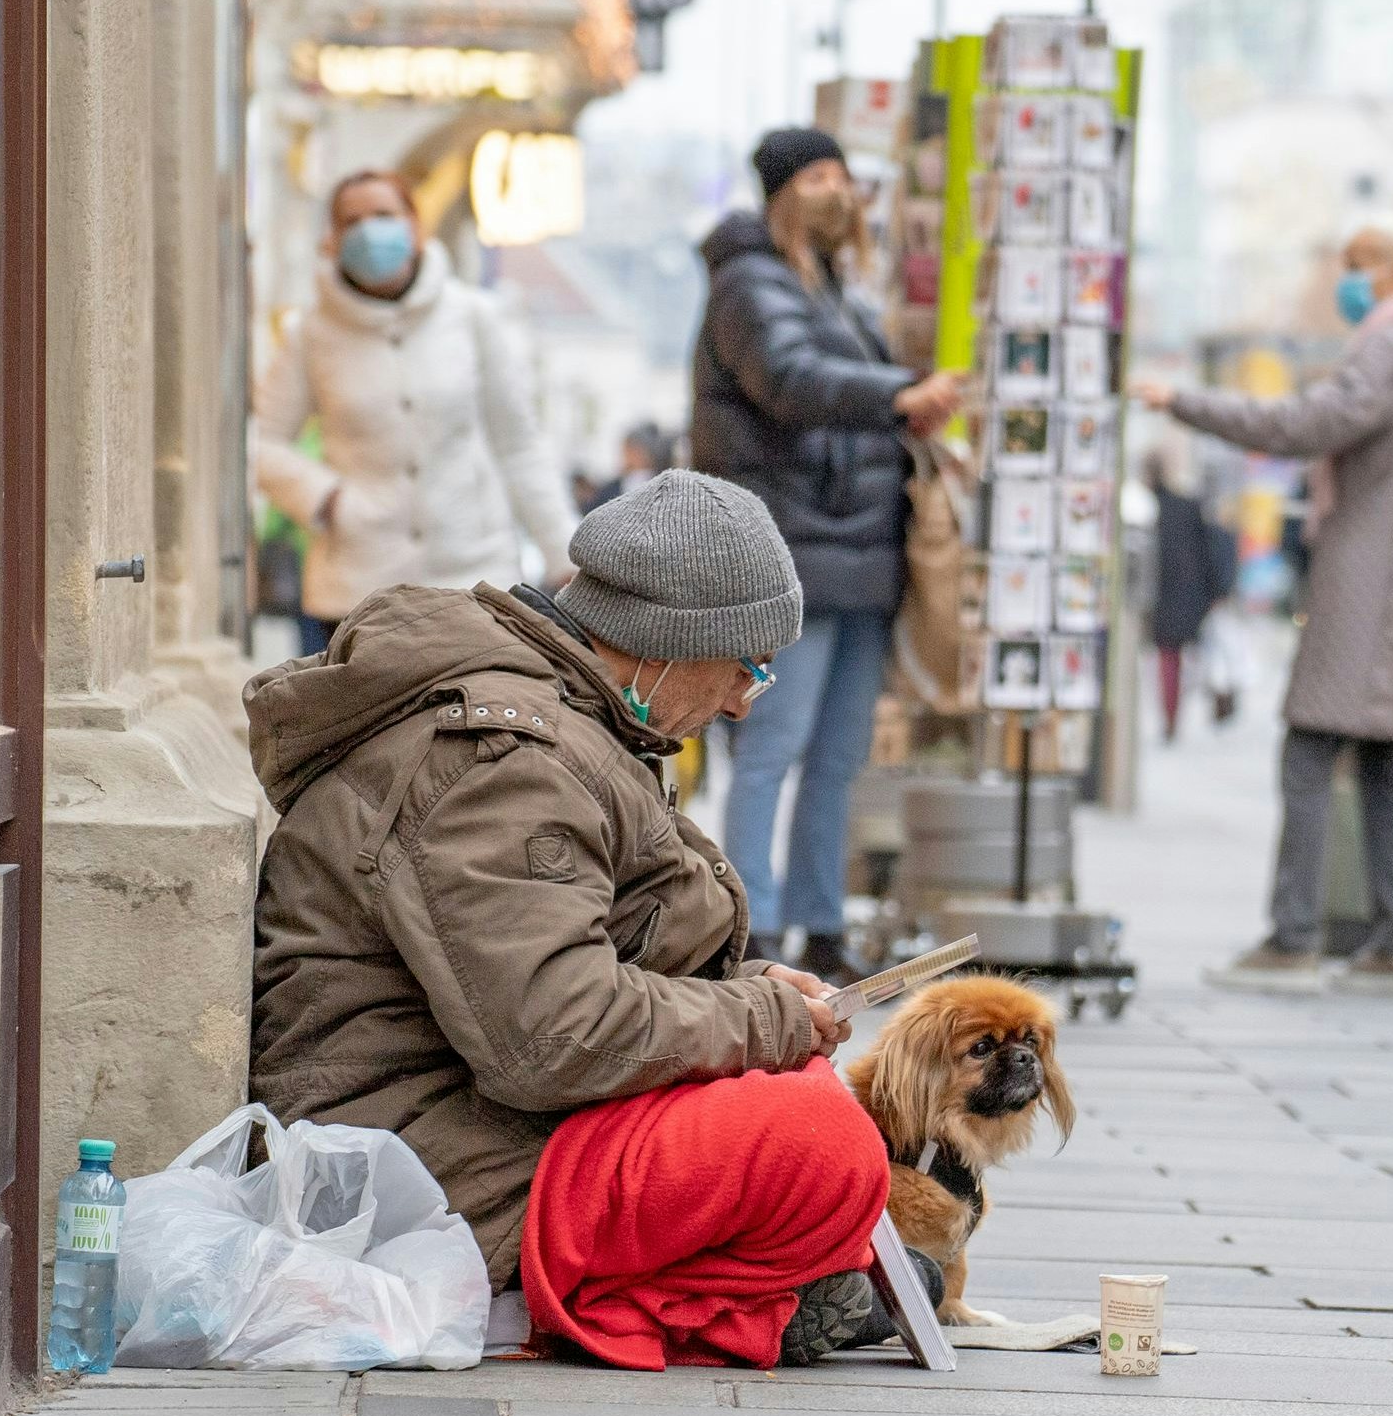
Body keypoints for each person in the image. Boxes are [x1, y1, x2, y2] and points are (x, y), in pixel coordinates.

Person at [247, 473, 906, 1369]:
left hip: (480, 1114)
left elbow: (581, 965)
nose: (747, 700)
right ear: (669, 644)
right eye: (746, 664)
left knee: (808, 1115)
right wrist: (765, 1021)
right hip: (416, 1159)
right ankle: (709, 1303)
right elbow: (552, 1038)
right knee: (815, 1143)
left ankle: (749, 1288)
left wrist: (753, 994)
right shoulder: (505, 766)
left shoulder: (570, 725)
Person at [1138, 212, 1393, 995]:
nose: (1347, 280)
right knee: (1382, 758)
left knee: (1307, 751)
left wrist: (1185, 402)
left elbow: (1305, 425)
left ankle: (1293, 935)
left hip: (1374, 583)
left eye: (1360, 263)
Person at [690, 127, 969, 980]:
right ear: (780, 190)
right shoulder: (749, 284)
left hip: (857, 553)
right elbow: (790, 379)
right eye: (817, 174)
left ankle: (820, 923)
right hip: (791, 551)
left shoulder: (837, 290)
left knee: (840, 757)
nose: (837, 189)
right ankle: (753, 927)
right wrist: (900, 395)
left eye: (844, 174)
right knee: (772, 747)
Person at [253, 169, 578, 656]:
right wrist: (328, 499)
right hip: (360, 587)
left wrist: (563, 553)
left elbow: (519, 443)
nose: (369, 231)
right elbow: (260, 442)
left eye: (383, 215)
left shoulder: (472, 317)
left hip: (476, 577)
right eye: (352, 220)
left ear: (414, 225)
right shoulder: (310, 334)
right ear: (332, 240)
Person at [1145, 437, 1239, 740]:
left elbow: (1216, 546)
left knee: (1176, 659)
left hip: (1179, 594)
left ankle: (1175, 715)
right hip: (1191, 594)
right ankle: (1198, 704)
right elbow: (1218, 546)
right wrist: (1219, 589)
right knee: (1192, 655)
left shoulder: (1164, 505)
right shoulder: (1187, 504)